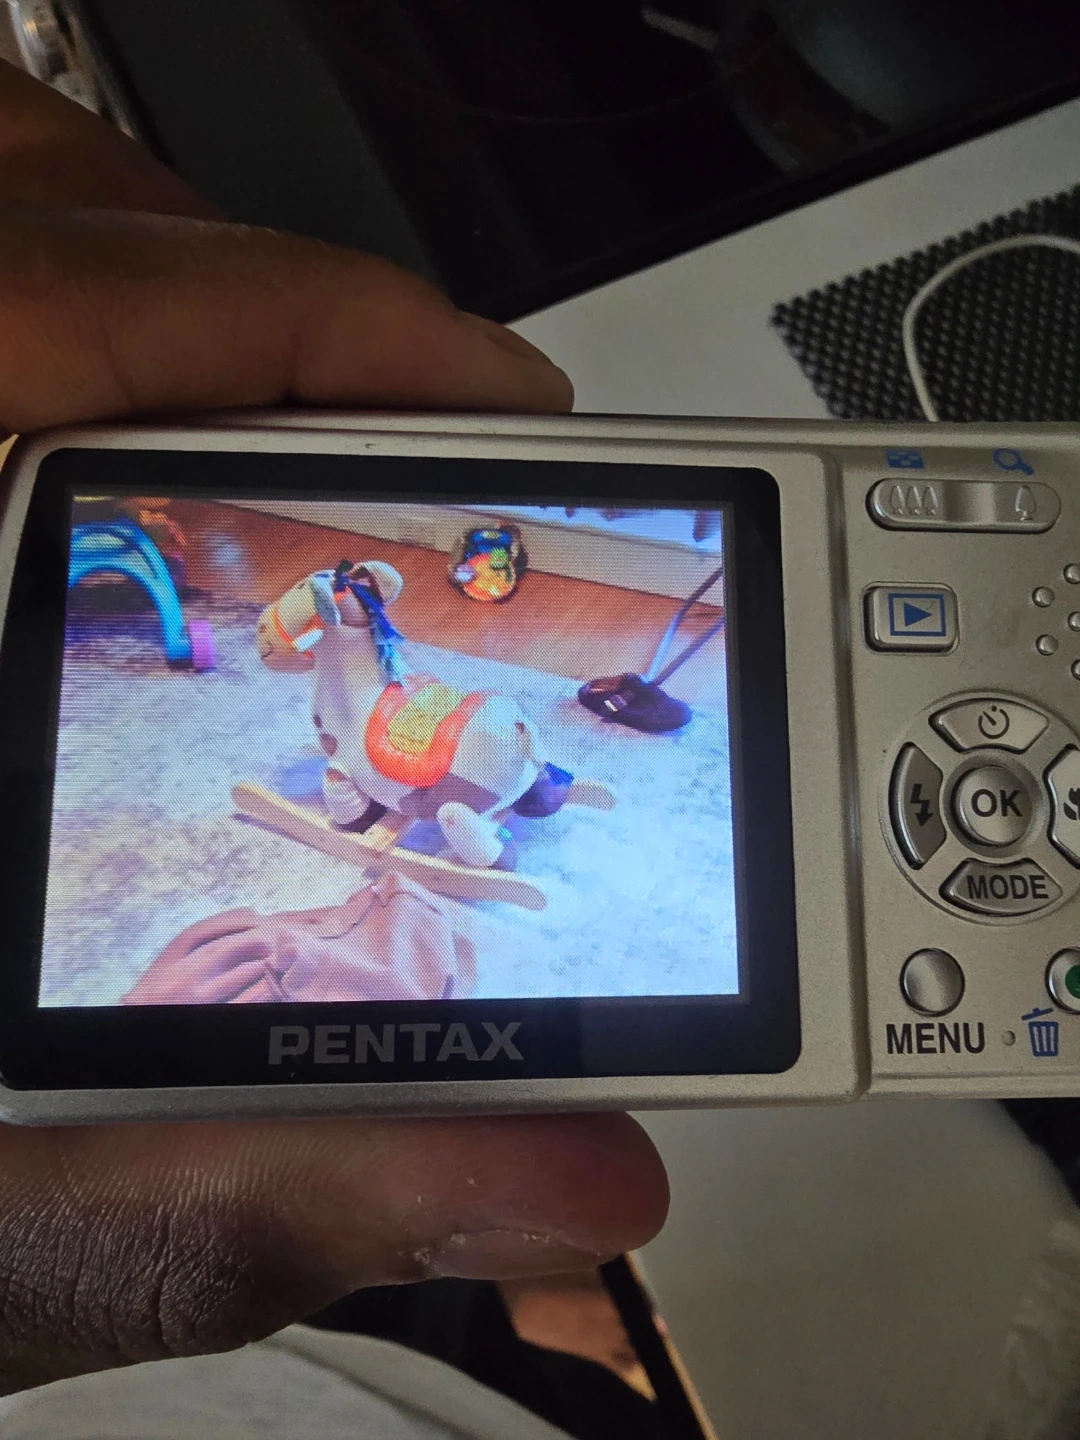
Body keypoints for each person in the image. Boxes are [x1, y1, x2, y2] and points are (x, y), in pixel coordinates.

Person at [0, 56, 669, 1430]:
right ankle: (521, 789)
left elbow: (338, 690)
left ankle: (475, 809)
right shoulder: (372, 633)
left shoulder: (354, 657)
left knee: (373, 762)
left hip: (431, 767)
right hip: (443, 719)